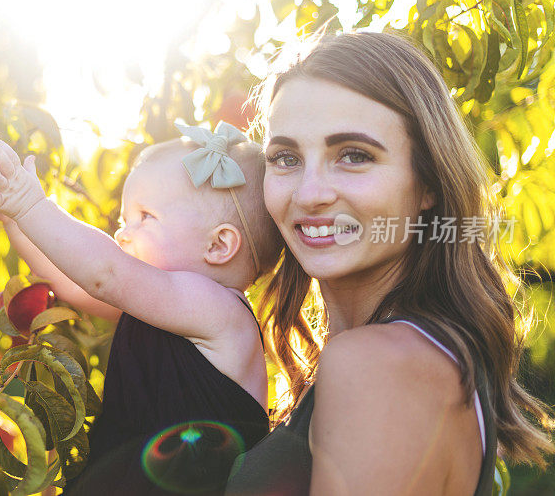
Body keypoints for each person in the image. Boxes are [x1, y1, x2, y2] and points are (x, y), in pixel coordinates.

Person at [225, 32, 553, 495]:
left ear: (428, 184)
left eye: (354, 156)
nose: (309, 193)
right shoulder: (413, 356)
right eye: (286, 158)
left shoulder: (378, 364)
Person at [0, 122, 283, 494]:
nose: (121, 234)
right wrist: (17, 219)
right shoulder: (160, 306)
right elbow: (70, 279)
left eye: (144, 217)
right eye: (123, 221)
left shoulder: (218, 311)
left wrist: (32, 205)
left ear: (218, 245)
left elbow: (104, 273)